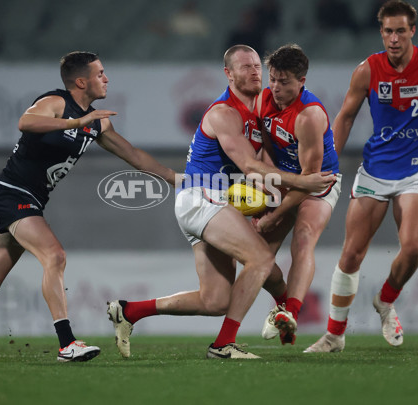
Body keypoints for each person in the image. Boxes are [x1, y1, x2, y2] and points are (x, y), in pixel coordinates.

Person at [0, 51, 177, 362]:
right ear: (81, 81)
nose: (106, 78)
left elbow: (134, 155)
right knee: (54, 255)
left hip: (31, 201)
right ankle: (67, 343)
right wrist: (75, 120)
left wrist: (171, 177)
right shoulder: (57, 102)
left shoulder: (98, 123)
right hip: (11, 192)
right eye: (100, 74)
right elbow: (25, 121)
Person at [107, 45, 335, 359]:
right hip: (202, 197)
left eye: (257, 65)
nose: (254, 72)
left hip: (209, 201)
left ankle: (130, 311)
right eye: (245, 67)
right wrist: (303, 182)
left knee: (216, 300)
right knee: (260, 260)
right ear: (228, 74)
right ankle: (224, 344)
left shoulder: (258, 109)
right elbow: (251, 166)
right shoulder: (224, 112)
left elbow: (262, 162)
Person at [305, 0, 418, 353]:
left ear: (412, 31)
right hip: (374, 170)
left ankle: (385, 301)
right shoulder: (367, 70)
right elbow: (343, 118)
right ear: (381, 32)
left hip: (416, 171)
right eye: (388, 31)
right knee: (351, 255)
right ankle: (334, 335)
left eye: (400, 31)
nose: (393, 38)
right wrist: (329, 164)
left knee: (414, 248)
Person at [252, 44, 342, 346]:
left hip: (318, 183)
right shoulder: (262, 99)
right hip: (285, 179)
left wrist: (274, 215)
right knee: (253, 254)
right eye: (273, 79)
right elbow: (265, 147)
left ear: (301, 81)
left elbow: (308, 181)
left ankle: (291, 311)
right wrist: (271, 182)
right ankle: (282, 305)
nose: (275, 87)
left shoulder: (309, 116)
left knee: (303, 238)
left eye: (284, 81)